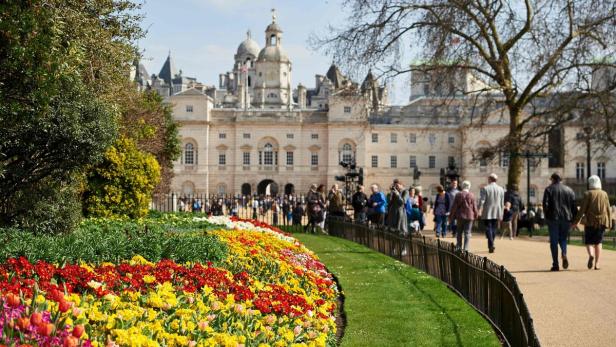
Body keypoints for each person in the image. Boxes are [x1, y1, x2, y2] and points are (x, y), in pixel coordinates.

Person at [572, 175, 612, 270]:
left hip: (590, 221)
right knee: (598, 242)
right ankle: (597, 264)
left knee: (589, 241)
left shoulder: (587, 194)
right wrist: (610, 222)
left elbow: (582, 209)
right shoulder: (604, 194)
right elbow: (608, 209)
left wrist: (576, 221)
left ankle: (591, 255)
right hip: (602, 221)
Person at [542, 172, 576, 271]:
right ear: (561, 179)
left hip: (553, 218)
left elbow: (545, 205)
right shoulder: (569, 190)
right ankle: (564, 253)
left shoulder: (548, 189)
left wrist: (546, 216)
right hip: (566, 218)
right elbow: (574, 206)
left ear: (552, 179)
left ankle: (555, 264)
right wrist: (574, 219)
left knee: (553, 241)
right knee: (563, 239)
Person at [479, 173, 504, 253]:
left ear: (490, 179)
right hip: (497, 210)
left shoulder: (485, 188)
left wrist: (479, 209)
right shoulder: (501, 189)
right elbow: (502, 202)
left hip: (487, 210)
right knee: (494, 228)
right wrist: (502, 213)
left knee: (488, 227)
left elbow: (482, 200)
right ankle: (491, 243)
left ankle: (491, 244)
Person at [449, 180, 478, 251]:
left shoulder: (458, 194)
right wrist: (476, 215)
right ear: (469, 187)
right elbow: (474, 207)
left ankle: (459, 247)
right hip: (470, 216)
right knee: (467, 233)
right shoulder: (472, 195)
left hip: (460, 216)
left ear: (462, 186)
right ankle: (465, 249)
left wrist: (451, 216)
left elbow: (454, 207)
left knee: (459, 232)